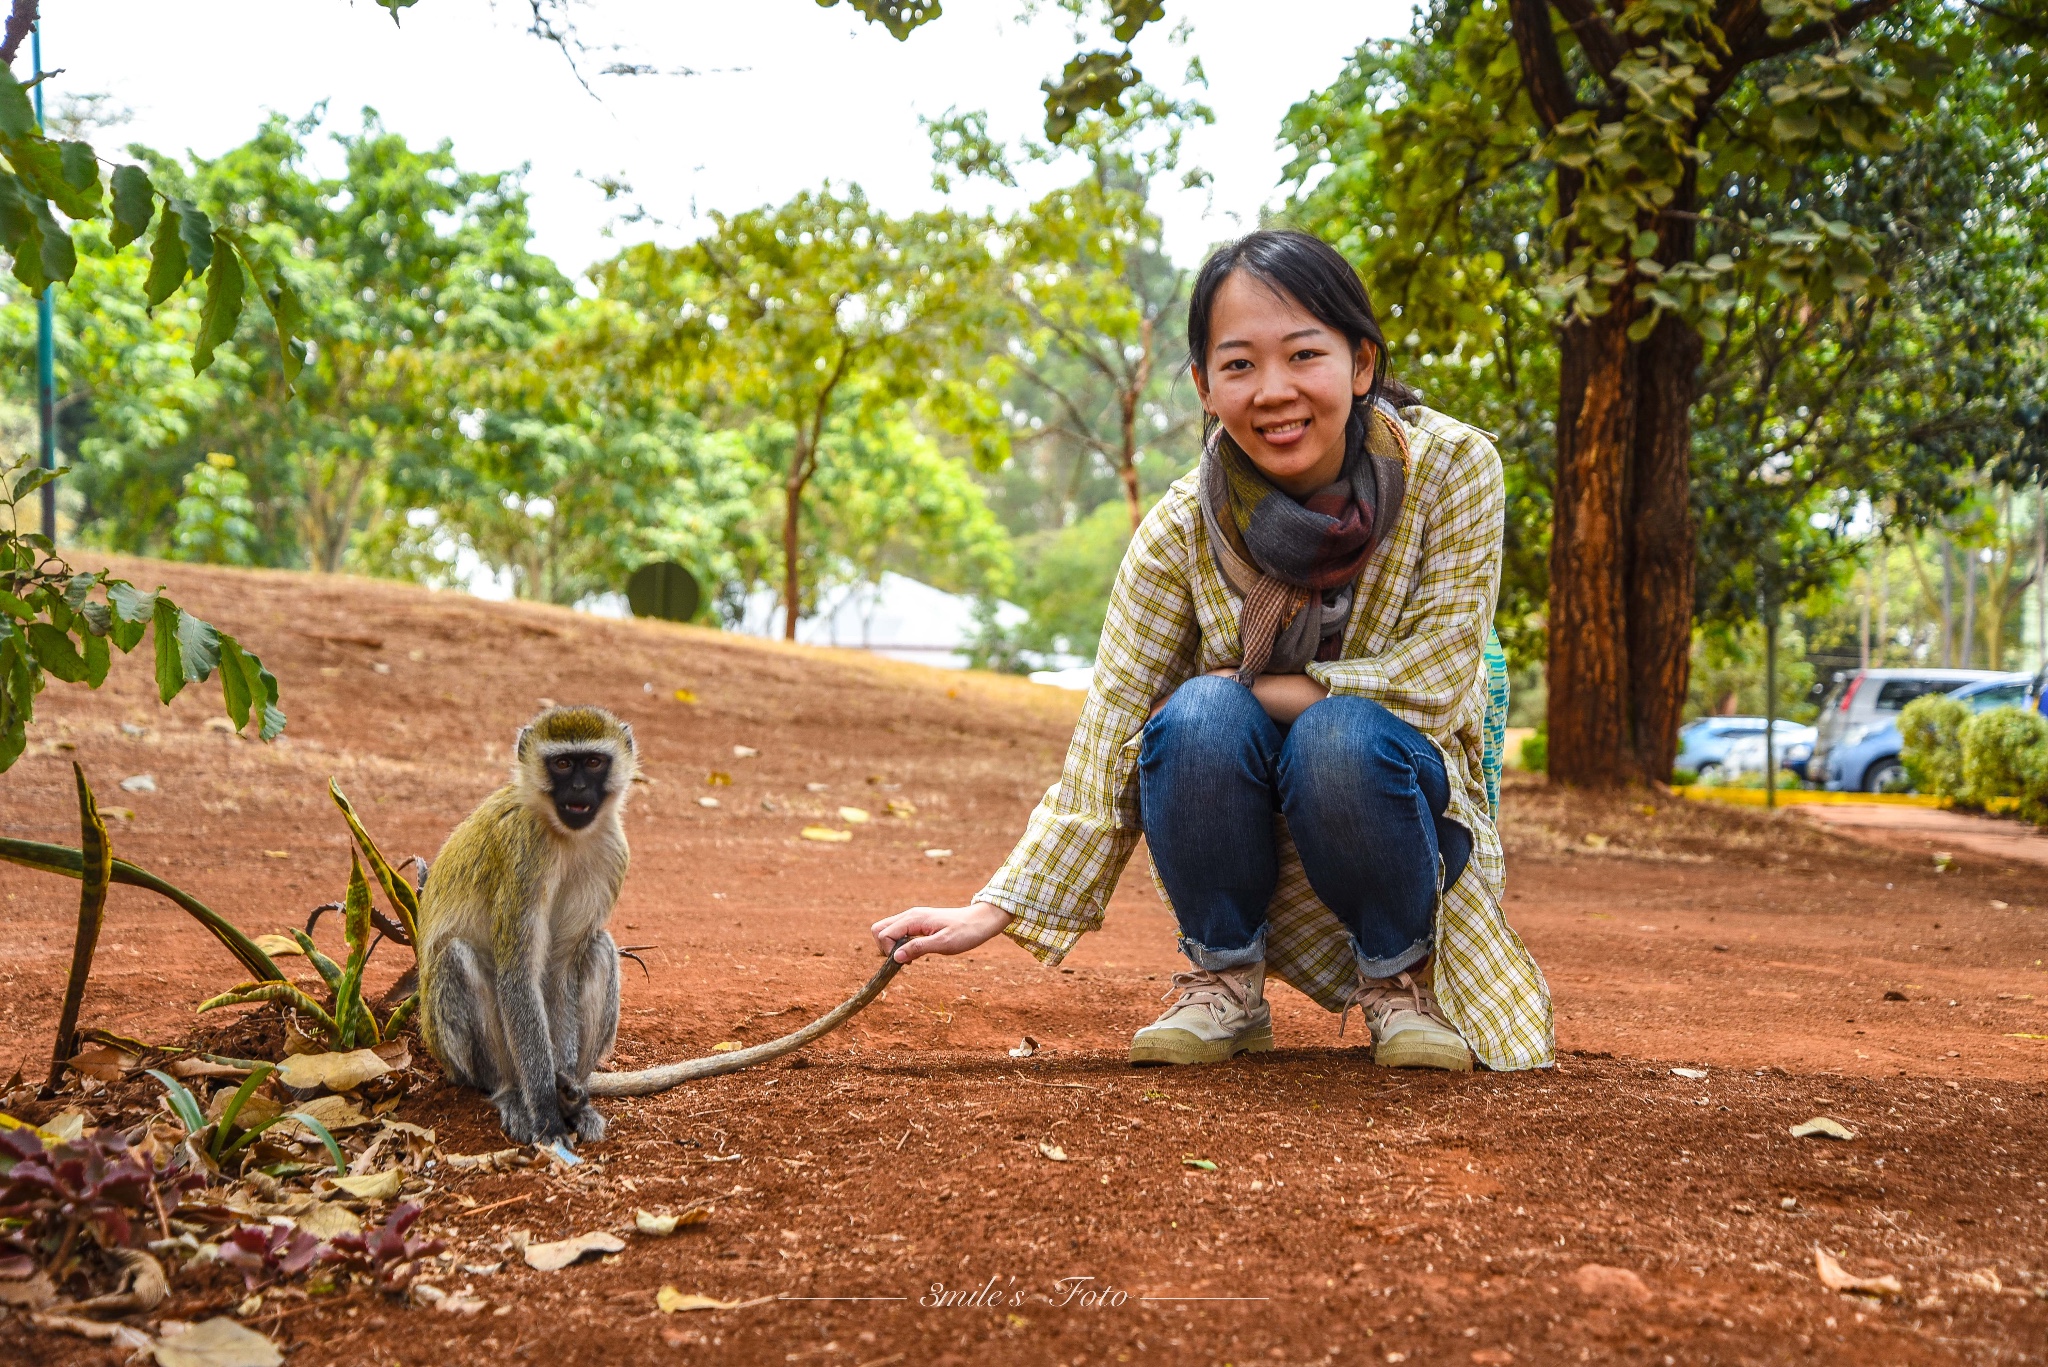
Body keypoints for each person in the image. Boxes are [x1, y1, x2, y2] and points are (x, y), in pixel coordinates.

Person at [870, 229, 1552, 1073]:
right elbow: (1114, 727)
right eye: (1238, 366)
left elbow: (1440, 683)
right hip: (1248, 831)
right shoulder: (1180, 527)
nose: (1274, 392)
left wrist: (1270, 690)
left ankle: (1403, 982)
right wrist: (995, 906)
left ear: (1362, 362)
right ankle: (1223, 979)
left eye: (1304, 354)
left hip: (1399, 821)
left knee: (1331, 732)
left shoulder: (1454, 470)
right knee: (1193, 716)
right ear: (1202, 384)